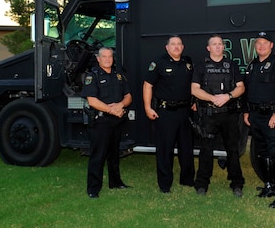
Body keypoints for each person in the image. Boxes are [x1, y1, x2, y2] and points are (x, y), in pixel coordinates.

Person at [243, 31, 275, 208]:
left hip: (272, 115)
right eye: (258, 43)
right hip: (255, 115)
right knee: (262, 152)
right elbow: (247, 90)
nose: (261, 46)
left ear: (271, 45)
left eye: (265, 43)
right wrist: (246, 111)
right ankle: (269, 186)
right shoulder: (252, 65)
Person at [192, 34, 245, 197]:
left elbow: (241, 87)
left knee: (233, 150)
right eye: (214, 44)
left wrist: (227, 96)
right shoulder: (201, 66)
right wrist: (213, 98)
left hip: (229, 114)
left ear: (223, 47)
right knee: (206, 150)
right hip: (208, 114)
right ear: (208, 48)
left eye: (220, 44)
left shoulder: (232, 65)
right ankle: (202, 184)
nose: (217, 46)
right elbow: (194, 89)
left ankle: (237, 184)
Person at [143, 35, 195, 193]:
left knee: (186, 148)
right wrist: (147, 107)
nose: (176, 47)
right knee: (165, 149)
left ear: (183, 47)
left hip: (185, 111)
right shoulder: (158, 63)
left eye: (179, 44)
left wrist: (193, 102)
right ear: (167, 47)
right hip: (166, 112)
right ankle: (165, 184)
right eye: (173, 44)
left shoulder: (188, 63)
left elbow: (192, 85)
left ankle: (187, 180)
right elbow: (147, 86)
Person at [82, 47, 132, 198]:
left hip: (116, 121)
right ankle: (93, 189)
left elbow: (128, 96)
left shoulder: (118, 76)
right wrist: (111, 110)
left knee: (114, 154)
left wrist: (120, 105)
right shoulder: (93, 76)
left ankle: (116, 182)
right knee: (98, 156)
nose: (108, 59)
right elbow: (92, 100)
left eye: (110, 56)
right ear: (98, 59)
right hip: (100, 121)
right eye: (104, 56)